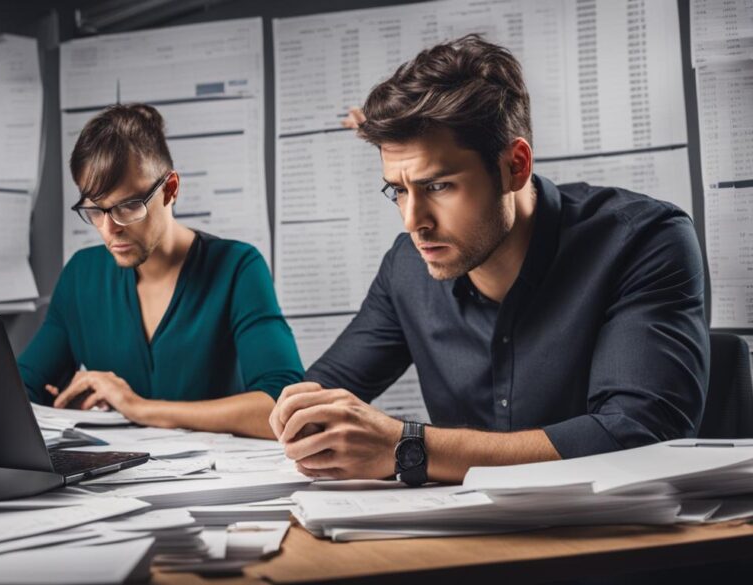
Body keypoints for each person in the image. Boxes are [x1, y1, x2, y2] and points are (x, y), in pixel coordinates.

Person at [269, 34, 709, 483]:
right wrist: (301, 416)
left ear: (515, 166)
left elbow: (642, 438)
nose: (412, 221)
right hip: (463, 535)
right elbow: (320, 393)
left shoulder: (643, 241)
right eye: (398, 191)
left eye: (438, 186)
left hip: (620, 542)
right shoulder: (407, 266)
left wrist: (409, 446)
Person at [19, 103, 303, 439]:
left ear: (170, 189)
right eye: (95, 210)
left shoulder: (238, 267)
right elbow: (21, 390)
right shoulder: (82, 275)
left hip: (217, 483)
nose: (110, 230)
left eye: (127, 206)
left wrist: (137, 407)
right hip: (112, 481)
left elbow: (284, 408)